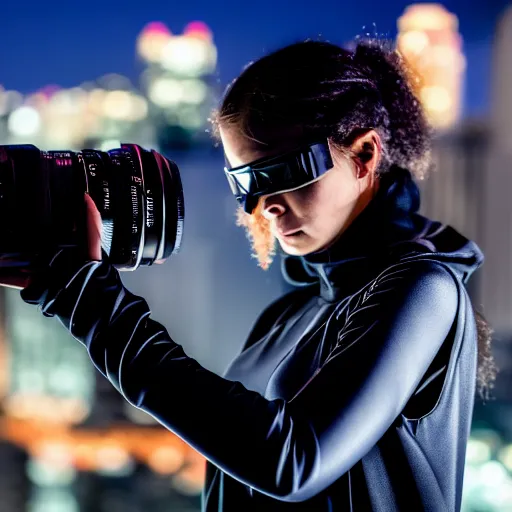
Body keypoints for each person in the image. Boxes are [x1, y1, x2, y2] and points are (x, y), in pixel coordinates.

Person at [19, 40, 497, 511]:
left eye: (285, 171)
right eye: (244, 181)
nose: (262, 205)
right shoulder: (289, 313)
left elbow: (293, 462)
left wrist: (97, 308)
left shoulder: (423, 290)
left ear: (364, 155)